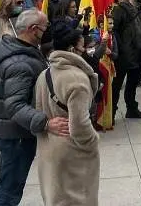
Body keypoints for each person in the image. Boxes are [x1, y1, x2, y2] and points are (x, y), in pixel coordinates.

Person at [0, 9, 70, 206]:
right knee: (10, 189)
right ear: (34, 30)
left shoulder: (22, 51)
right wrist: (45, 123)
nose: (47, 32)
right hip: (16, 135)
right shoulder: (20, 63)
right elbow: (15, 105)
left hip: (16, 132)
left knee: (9, 185)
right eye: (45, 28)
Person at [34, 23, 100, 206]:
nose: (86, 50)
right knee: (78, 199)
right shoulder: (77, 79)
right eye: (83, 47)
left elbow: (39, 109)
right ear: (72, 49)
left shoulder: (45, 73)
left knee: (56, 199)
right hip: (72, 151)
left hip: (49, 147)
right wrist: (91, 142)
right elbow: (80, 124)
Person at [112, 0, 141, 119]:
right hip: (124, 54)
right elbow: (114, 30)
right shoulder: (120, 10)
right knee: (116, 85)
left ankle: (132, 109)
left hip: (138, 52)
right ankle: (111, 113)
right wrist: (120, 48)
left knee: (132, 84)